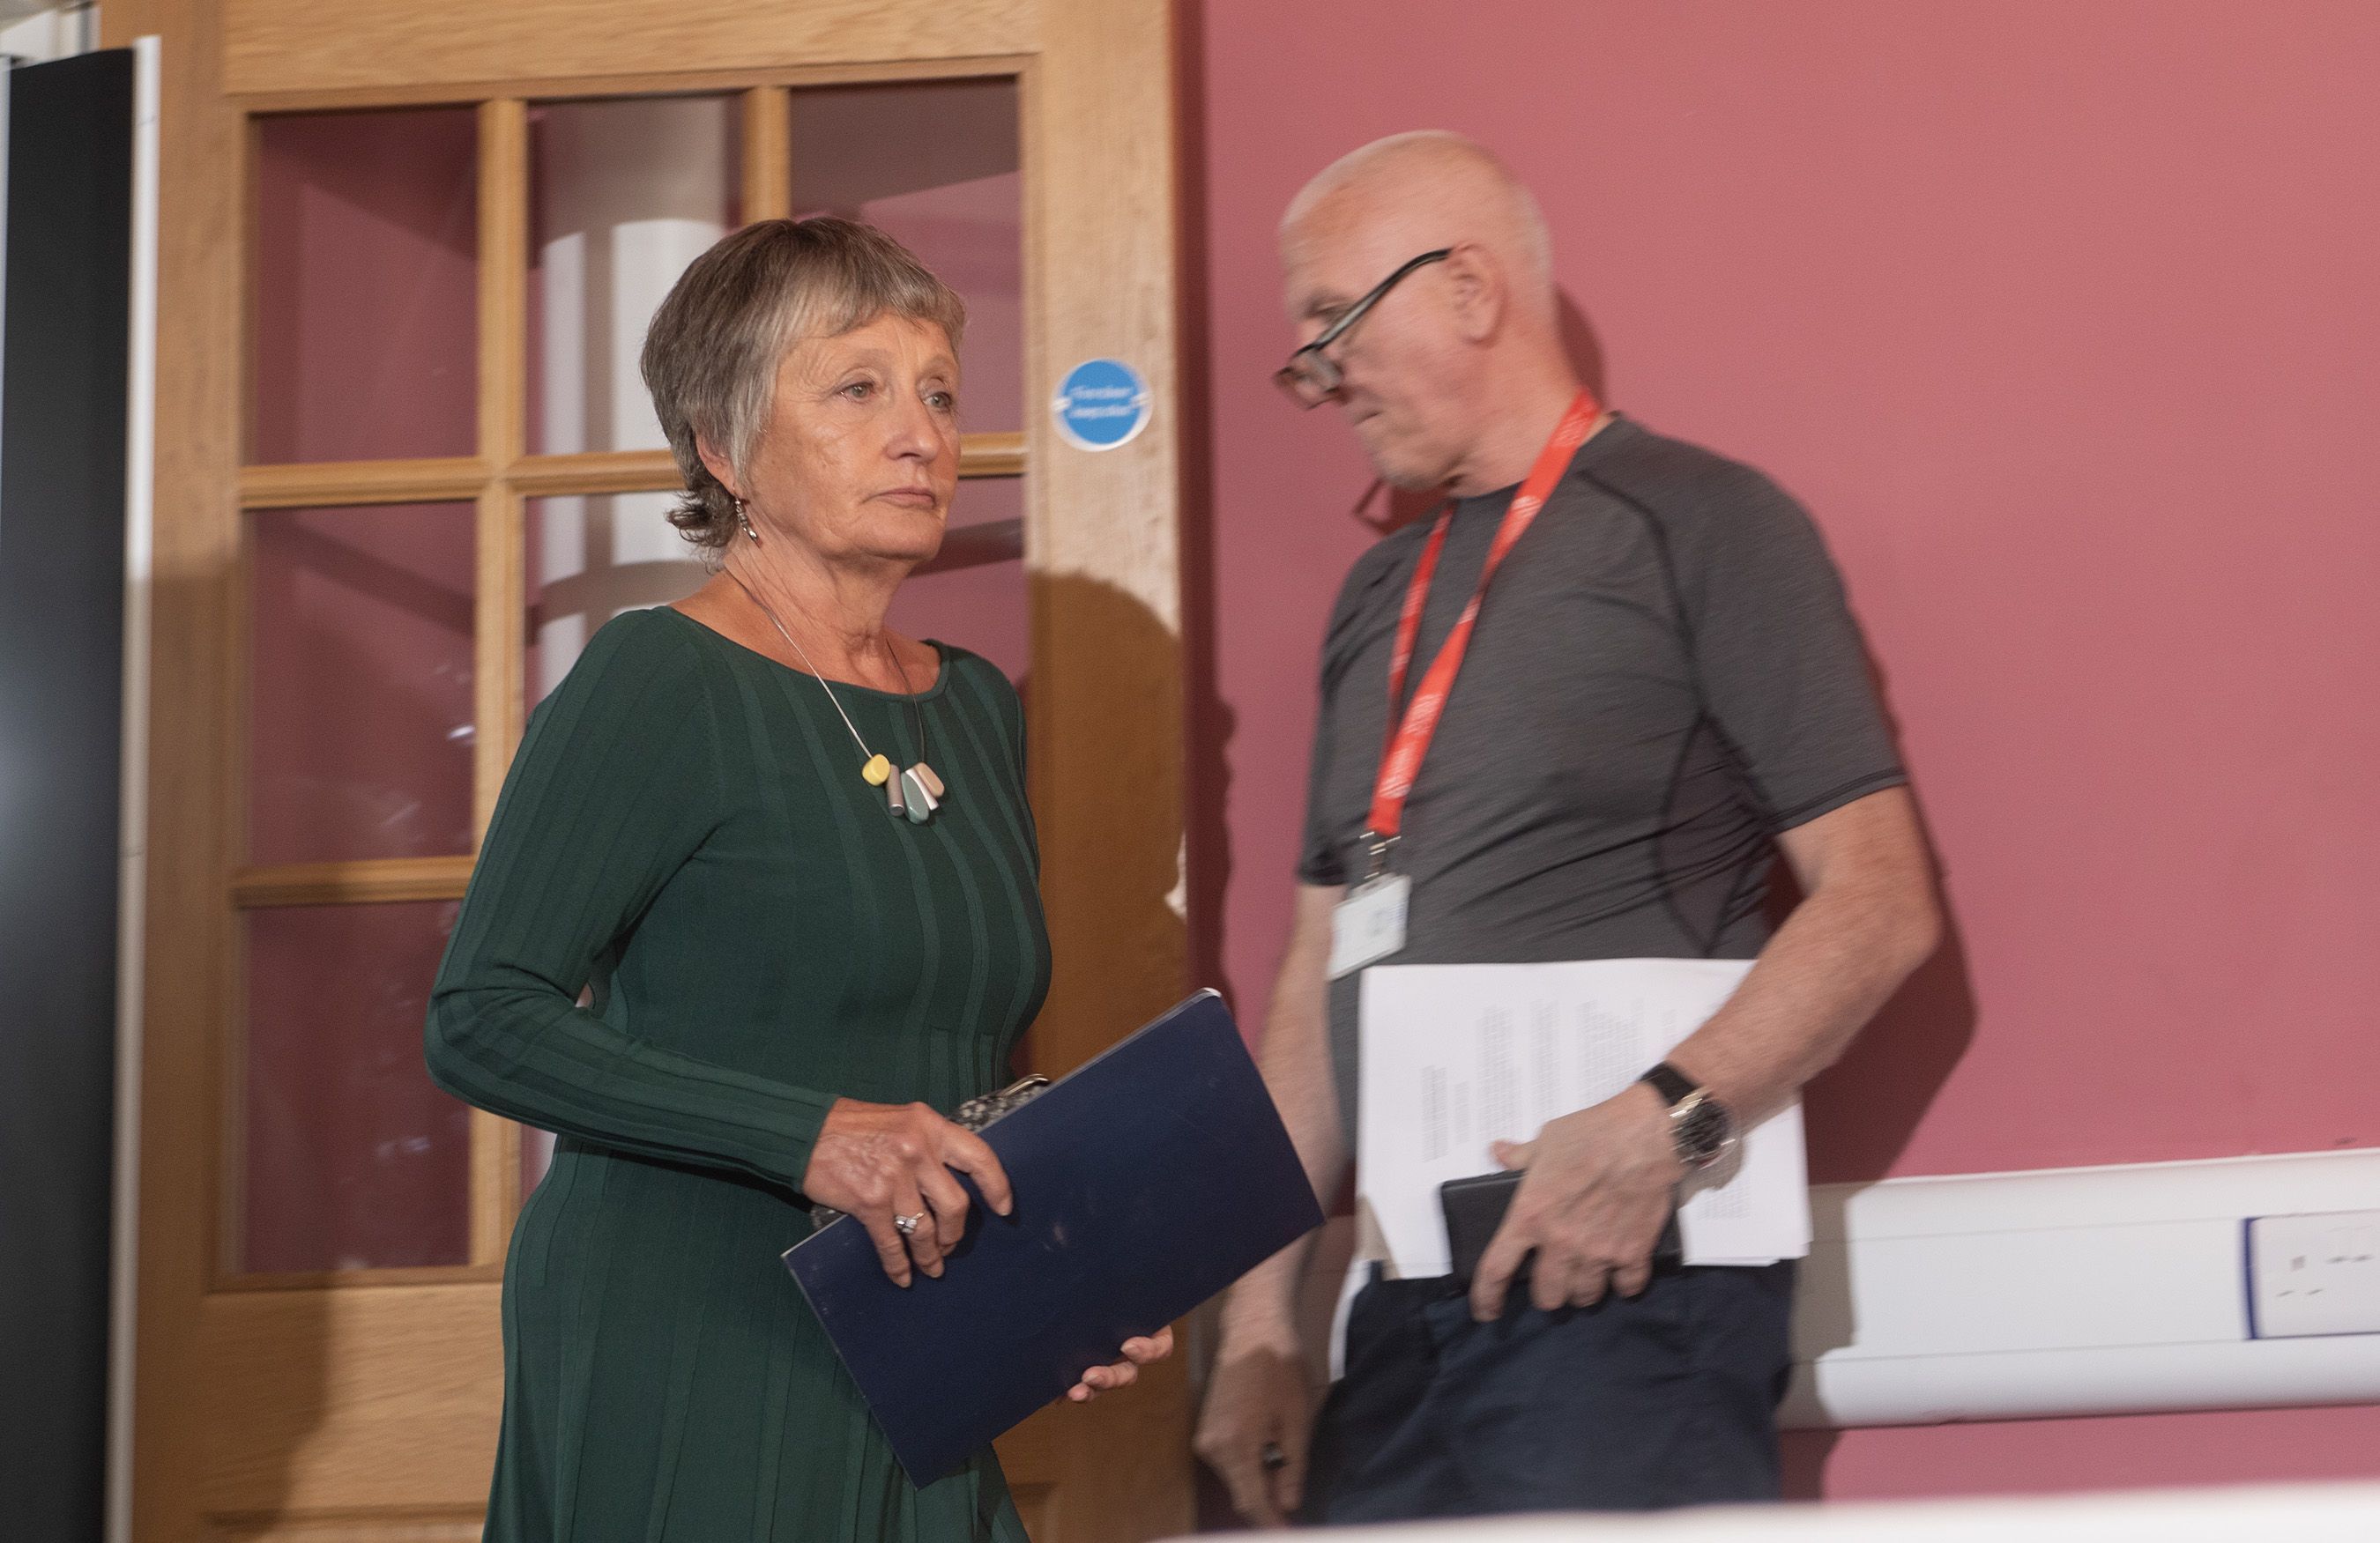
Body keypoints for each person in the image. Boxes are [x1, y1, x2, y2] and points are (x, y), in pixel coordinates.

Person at [1194, 133, 1942, 1523]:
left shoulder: (1706, 524)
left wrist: (1668, 1125)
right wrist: (1259, 1325)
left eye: (1336, 324)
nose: (1325, 379)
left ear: (1470, 289)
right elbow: (1317, 968)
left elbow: (1880, 901)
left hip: (1623, 1285)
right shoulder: (1376, 596)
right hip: (1403, 1304)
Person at [426, 217, 1170, 1543]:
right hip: (693, 1332)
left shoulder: (973, 706)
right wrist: (813, 1136)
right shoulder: (657, 679)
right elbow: (482, 1016)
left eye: (939, 393)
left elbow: (955, 1056)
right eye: (858, 389)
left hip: (924, 1330)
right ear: (723, 446)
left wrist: (1056, 1262)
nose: (920, 435)